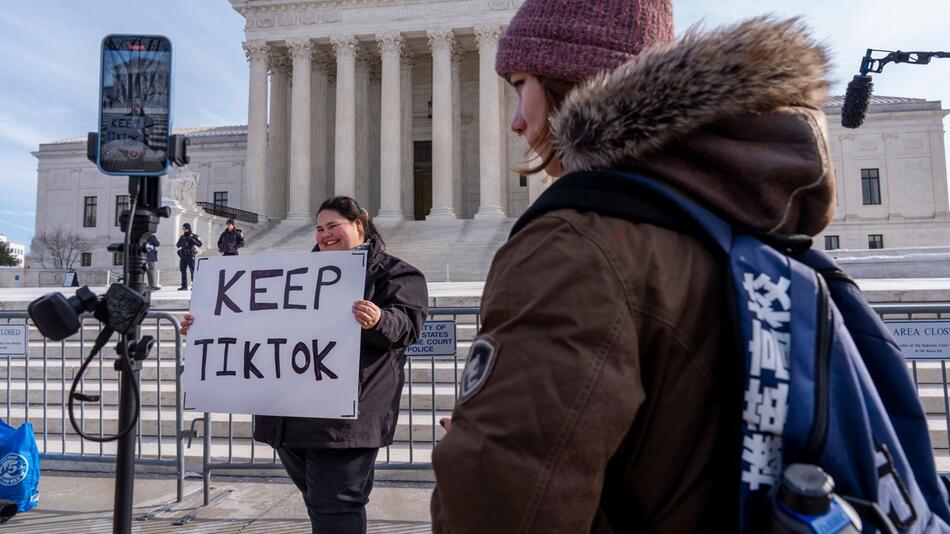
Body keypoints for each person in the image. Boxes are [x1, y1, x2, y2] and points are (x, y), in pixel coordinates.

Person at [430, 2, 836, 532]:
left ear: (568, 79)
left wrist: (483, 434)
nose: (516, 121)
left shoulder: (578, 246)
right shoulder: (725, 217)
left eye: (519, 83)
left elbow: (503, 502)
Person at [180, 196, 428, 533]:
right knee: (320, 501)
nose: (325, 234)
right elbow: (257, 326)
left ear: (359, 225)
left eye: (333, 226)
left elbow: (407, 326)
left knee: (336, 506)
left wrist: (379, 320)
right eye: (319, 228)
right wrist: (206, 326)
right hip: (290, 416)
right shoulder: (287, 277)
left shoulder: (395, 274)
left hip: (345, 420)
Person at [175, 223, 202, 290]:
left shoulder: (193, 236)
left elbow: (200, 244)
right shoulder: (182, 237)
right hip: (183, 256)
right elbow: (178, 245)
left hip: (190, 256)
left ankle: (194, 285)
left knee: (192, 271)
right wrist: (181, 241)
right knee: (182, 270)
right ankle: (184, 286)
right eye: (183, 229)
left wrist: (193, 239)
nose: (184, 230)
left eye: (185, 228)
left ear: (188, 228)